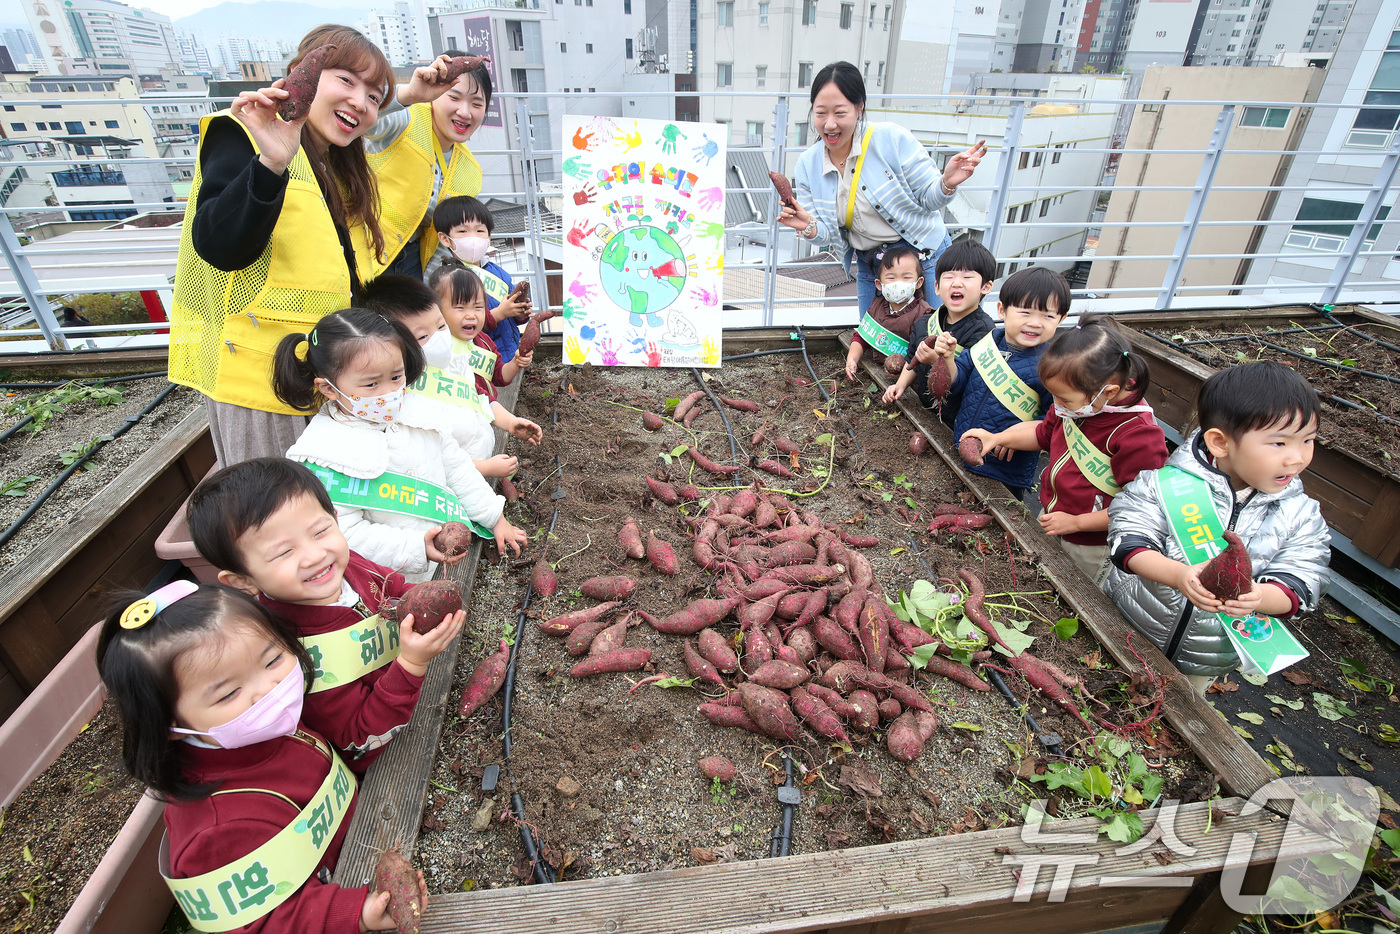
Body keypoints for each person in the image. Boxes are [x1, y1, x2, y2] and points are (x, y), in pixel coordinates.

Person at [96, 581, 426, 933]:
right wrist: (354, 915)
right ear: (168, 722)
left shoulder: (260, 729)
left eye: (272, 659)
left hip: (368, 833)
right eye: (229, 693)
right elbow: (264, 923)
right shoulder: (217, 832)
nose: (269, 689)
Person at [168, 26, 396, 466]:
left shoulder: (326, 159)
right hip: (262, 382)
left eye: (374, 96)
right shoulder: (246, 131)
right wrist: (270, 164)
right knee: (277, 519)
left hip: (315, 373)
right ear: (302, 75)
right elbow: (218, 244)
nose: (360, 102)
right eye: (346, 80)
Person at [187, 457, 465, 773]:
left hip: (411, 687)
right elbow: (358, 740)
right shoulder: (291, 650)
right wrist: (412, 664)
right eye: (283, 552)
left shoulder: (347, 565)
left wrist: (423, 601)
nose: (315, 555)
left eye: (320, 532)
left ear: (335, 518)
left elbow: (394, 585)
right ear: (243, 581)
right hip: (389, 755)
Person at [1104, 361, 1330, 694]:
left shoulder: (1301, 514)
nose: (1296, 458)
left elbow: (1305, 579)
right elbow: (1128, 537)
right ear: (1221, 443)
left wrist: (1259, 597)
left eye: (1307, 441)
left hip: (1207, 655)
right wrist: (1178, 575)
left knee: (1181, 710)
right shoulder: (1163, 484)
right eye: (1279, 443)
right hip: (1128, 622)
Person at [271, 308, 526, 581]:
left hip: (448, 564)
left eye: (396, 377)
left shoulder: (420, 412)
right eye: (371, 384)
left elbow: (458, 468)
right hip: (392, 583)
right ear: (329, 388)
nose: (389, 393)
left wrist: (494, 518)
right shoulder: (320, 454)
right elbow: (346, 532)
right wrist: (417, 548)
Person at [958, 315, 1169, 584]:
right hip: (1054, 517)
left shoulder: (1139, 436)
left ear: (1109, 390)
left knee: (1077, 592)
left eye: (1064, 399)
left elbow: (1136, 509)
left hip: (1091, 542)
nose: (1056, 405)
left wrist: (1077, 523)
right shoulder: (1078, 403)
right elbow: (1043, 433)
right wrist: (997, 438)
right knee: (1038, 576)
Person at [777, 61, 986, 320]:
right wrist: (808, 225)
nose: (829, 124)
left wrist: (947, 183)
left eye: (840, 113)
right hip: (873, 267)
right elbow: (827, 234)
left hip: (924, 258)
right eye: (820, 113)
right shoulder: (807, 166)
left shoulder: (890, 139)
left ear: (859, 107)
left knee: (941, 334)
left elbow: (929, 199)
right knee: (873, 340)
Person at [360, 273, 542, 476]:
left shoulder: (455, 362)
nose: (439, 338)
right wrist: (484, 469)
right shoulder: (405, 399)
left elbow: (479, 398)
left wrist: (510, 422)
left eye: (440, 326)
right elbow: (432, 460)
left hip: (481, 465)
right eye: (422, 336)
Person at [355, 55, 492, 281]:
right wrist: (408, 94)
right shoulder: (405, 121)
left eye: (477, 103)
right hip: (364, 252)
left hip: (412, 265)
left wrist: (434, 296)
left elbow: (443, 242)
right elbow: (363, 112)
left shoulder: (470, 171)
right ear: (434, 95)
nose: (465, 112)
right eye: (454, 97)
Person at [936, 266, 1067, 501]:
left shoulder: (1053, 367)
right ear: (1002, 310)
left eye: (1048, 316)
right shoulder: (989, 342)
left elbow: (1053, 423)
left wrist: (1014, 438)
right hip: (962, 445)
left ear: (1061, 319)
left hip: (1006, 470)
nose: (1036, 323)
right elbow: (958, 383)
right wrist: (948, 359)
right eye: (1025, 312)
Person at [882, 239, 997, 427]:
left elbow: (973, 383)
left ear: (986, 287)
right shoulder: (924, 324)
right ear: (936, 287)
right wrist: (900, 385)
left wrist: (938, 361)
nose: (956, 284)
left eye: (967, 277)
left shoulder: (985, 332)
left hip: (955, 420)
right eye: (949, 277)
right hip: (923, 409)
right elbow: (912, 359)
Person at [424, 195, 532, 361]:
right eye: (463, 231)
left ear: (488, 237)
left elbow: (512, 317)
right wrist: (499, 313)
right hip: (479, 361)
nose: (472, 237)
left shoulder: (497, 272)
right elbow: (455, 325)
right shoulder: (447, 282)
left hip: (509, 354)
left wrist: (520, 313)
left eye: (480, 230)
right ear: (445, 239)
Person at [427, 260, 532, 405]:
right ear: (436, 309)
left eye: (478, 307)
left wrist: (516, 362)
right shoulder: (432, 349)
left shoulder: (484, 341)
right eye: (460, 307)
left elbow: (499, 375)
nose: (471, 315)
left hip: (484, 414)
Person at [844, 245, 930, 380]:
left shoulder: (924, 314)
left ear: (919, 282)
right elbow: (862, 336)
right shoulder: (877, 304)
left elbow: (922, 358)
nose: (898, 283)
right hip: (877, 373)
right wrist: (852, 359)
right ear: (879, 284)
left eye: (906, 277)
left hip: (908, 382)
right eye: (891, 278)